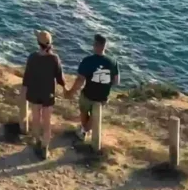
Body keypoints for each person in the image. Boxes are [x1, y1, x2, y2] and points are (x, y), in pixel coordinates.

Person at [66, 34, 120, 142]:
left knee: (84, 110)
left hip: (88, 94)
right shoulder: (113, 62)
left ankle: (84, 130)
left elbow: (80, 80)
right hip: (103, 97)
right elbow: (116, 81)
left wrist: (71, 92)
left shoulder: (87, 61)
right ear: (105, 46)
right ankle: (85, 130)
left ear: (95, 45)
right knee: (95, 114)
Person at [22, 30, 65, 160]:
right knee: (47, 122)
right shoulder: (54, 58)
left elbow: (26, 78)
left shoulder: (32, 57)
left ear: (38, 43)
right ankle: (45, 148)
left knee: (36, 119)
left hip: (34, 93)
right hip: (48, 94)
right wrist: (66, 88)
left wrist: (23, 93)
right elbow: (60, 79)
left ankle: (37, 142)